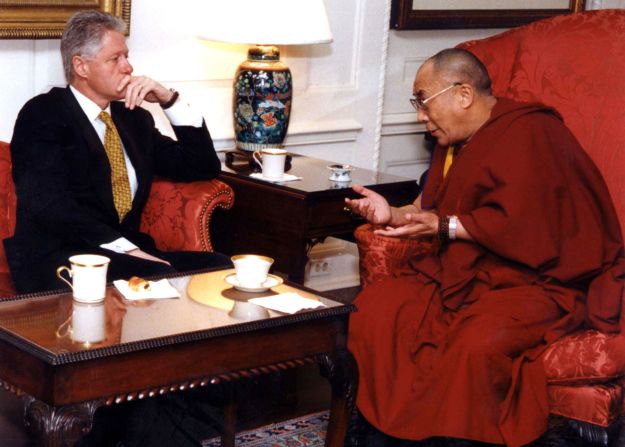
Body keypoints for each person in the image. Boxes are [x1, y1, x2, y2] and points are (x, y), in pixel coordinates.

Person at [345, 48, 624, 446]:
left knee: (475, 343)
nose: (421, 117)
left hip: (538, 280)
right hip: (465, 270)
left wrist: (447, 226)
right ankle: (380, 435)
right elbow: (434, 212)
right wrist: (390, 214)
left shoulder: (532, 133)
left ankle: (453, 438)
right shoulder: (455, 141)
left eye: (423, 102)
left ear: (463, 94)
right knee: (375, 311)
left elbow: (533, 229)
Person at [4, 10, 230, 295]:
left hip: (124, 252)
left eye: (127, 56)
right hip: (61, 256)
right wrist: (130, 251)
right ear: (81, 66)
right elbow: (52, 207)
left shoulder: (133, 118)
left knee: (219, 267)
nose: (128, 67)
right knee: (157, 276)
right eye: (116, 59)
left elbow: (200, 166)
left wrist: (168, 100)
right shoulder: (43, 114)